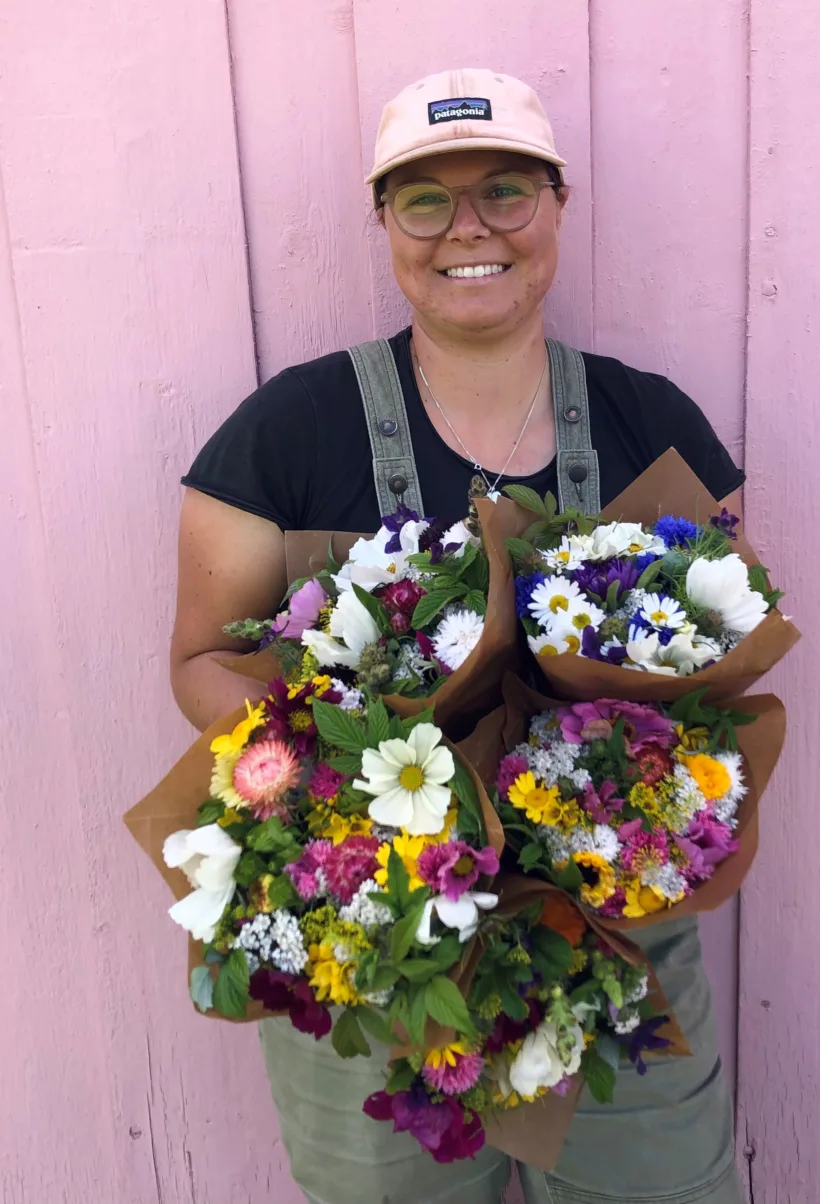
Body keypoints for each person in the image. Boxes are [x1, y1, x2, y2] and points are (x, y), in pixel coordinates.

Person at [171, 67, 745, 1204]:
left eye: (504, 190)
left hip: (612, 939)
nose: (467, 227)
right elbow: (201, 658)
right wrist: (342, 782)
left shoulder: (653, 423)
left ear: (557, 206)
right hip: (376, 941)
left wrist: (618, 800)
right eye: (424, 199)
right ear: (383, 221)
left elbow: (723, 664)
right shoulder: (286, 431)